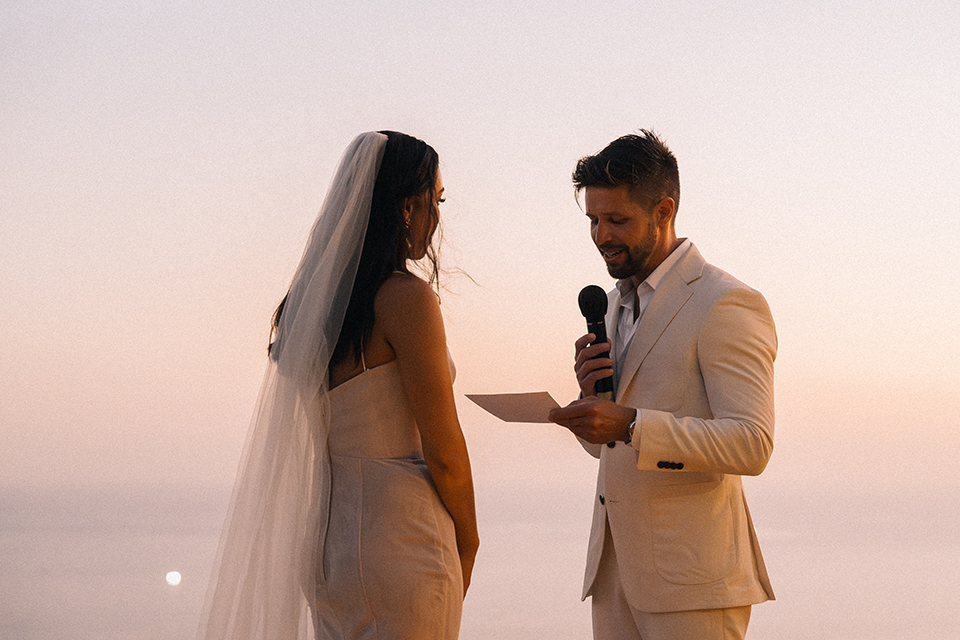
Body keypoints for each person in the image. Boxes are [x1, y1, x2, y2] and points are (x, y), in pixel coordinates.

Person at [197, 131, 479, 640]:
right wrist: (470, 538)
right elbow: (444, 450)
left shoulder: (314, 313)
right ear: (405, 208)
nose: (438, 219)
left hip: (328, 540)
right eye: (432, 202)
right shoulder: (406, 300)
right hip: (403, 534)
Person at [548, 130, 776, 640]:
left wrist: (629, 423)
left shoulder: (725, 303)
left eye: (617, 220)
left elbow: (751, 444)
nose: (601, 235)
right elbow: (613, 446)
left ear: (663, 210)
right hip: (613, 578)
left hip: (693, 586)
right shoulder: (609, 307)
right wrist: (593, 412)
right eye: (593, 220)